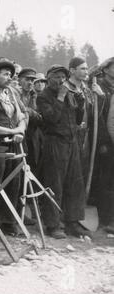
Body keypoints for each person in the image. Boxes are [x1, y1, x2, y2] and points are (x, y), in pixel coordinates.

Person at [37, 65, 91, 239]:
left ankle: (72, 222)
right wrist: (60, 97)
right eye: (56, 77)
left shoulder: (68, 94)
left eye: (63, 77)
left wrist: (81, 102)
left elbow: (76, 118)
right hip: (54, 142)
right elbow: (51, 119)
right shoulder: (43, 97)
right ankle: (52, 225)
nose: (60, 81)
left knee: (74, 183)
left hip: (71, 141)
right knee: (55, 183)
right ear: (48, 78)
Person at [0, 59, 27, 236]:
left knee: (14, 181)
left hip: (14, 142)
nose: (9, 77)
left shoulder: (11, 92)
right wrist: (10, 131)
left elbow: (23, 115)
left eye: (10, 74)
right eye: (5, 74)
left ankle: (8, 222)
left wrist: (20, 130)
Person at [65, 57, 104, 184]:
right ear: (72, 70)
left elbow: (96, 114)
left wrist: (100, 96)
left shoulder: (87, 90)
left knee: (83, 167)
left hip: (85, 135)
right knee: (70, 170)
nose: (86, 72)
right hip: (69, 135)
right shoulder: (65, 88)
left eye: (87, 68)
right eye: (82, 68)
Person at [95, 57, 114, 233]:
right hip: (105, 140)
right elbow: (98, 117)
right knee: (105, 180)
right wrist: (103, 140)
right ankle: (105, 221)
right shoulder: (99, 86)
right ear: (106, 69)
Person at [18, 68, 43, 175]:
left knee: (33, 167)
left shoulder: (36, 96)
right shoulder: (14, 95)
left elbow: (41, 119)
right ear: (19, 80)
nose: (30, 83)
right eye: (27, 79)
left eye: (32, 80)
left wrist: (28, 111)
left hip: (34, 139)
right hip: (19, 138)